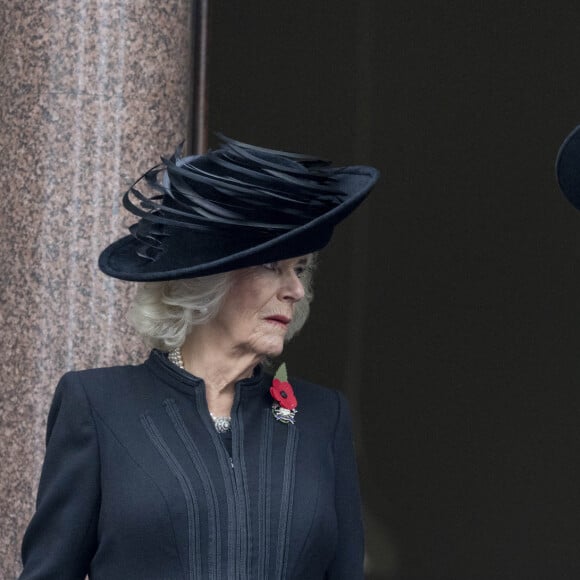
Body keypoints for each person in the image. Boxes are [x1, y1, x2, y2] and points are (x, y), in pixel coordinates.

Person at [19, 135, 380, 580]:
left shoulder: (323, 417)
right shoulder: (98, 404)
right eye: (273, 266)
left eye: (299, 268)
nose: (296, 289)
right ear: (206, 278)